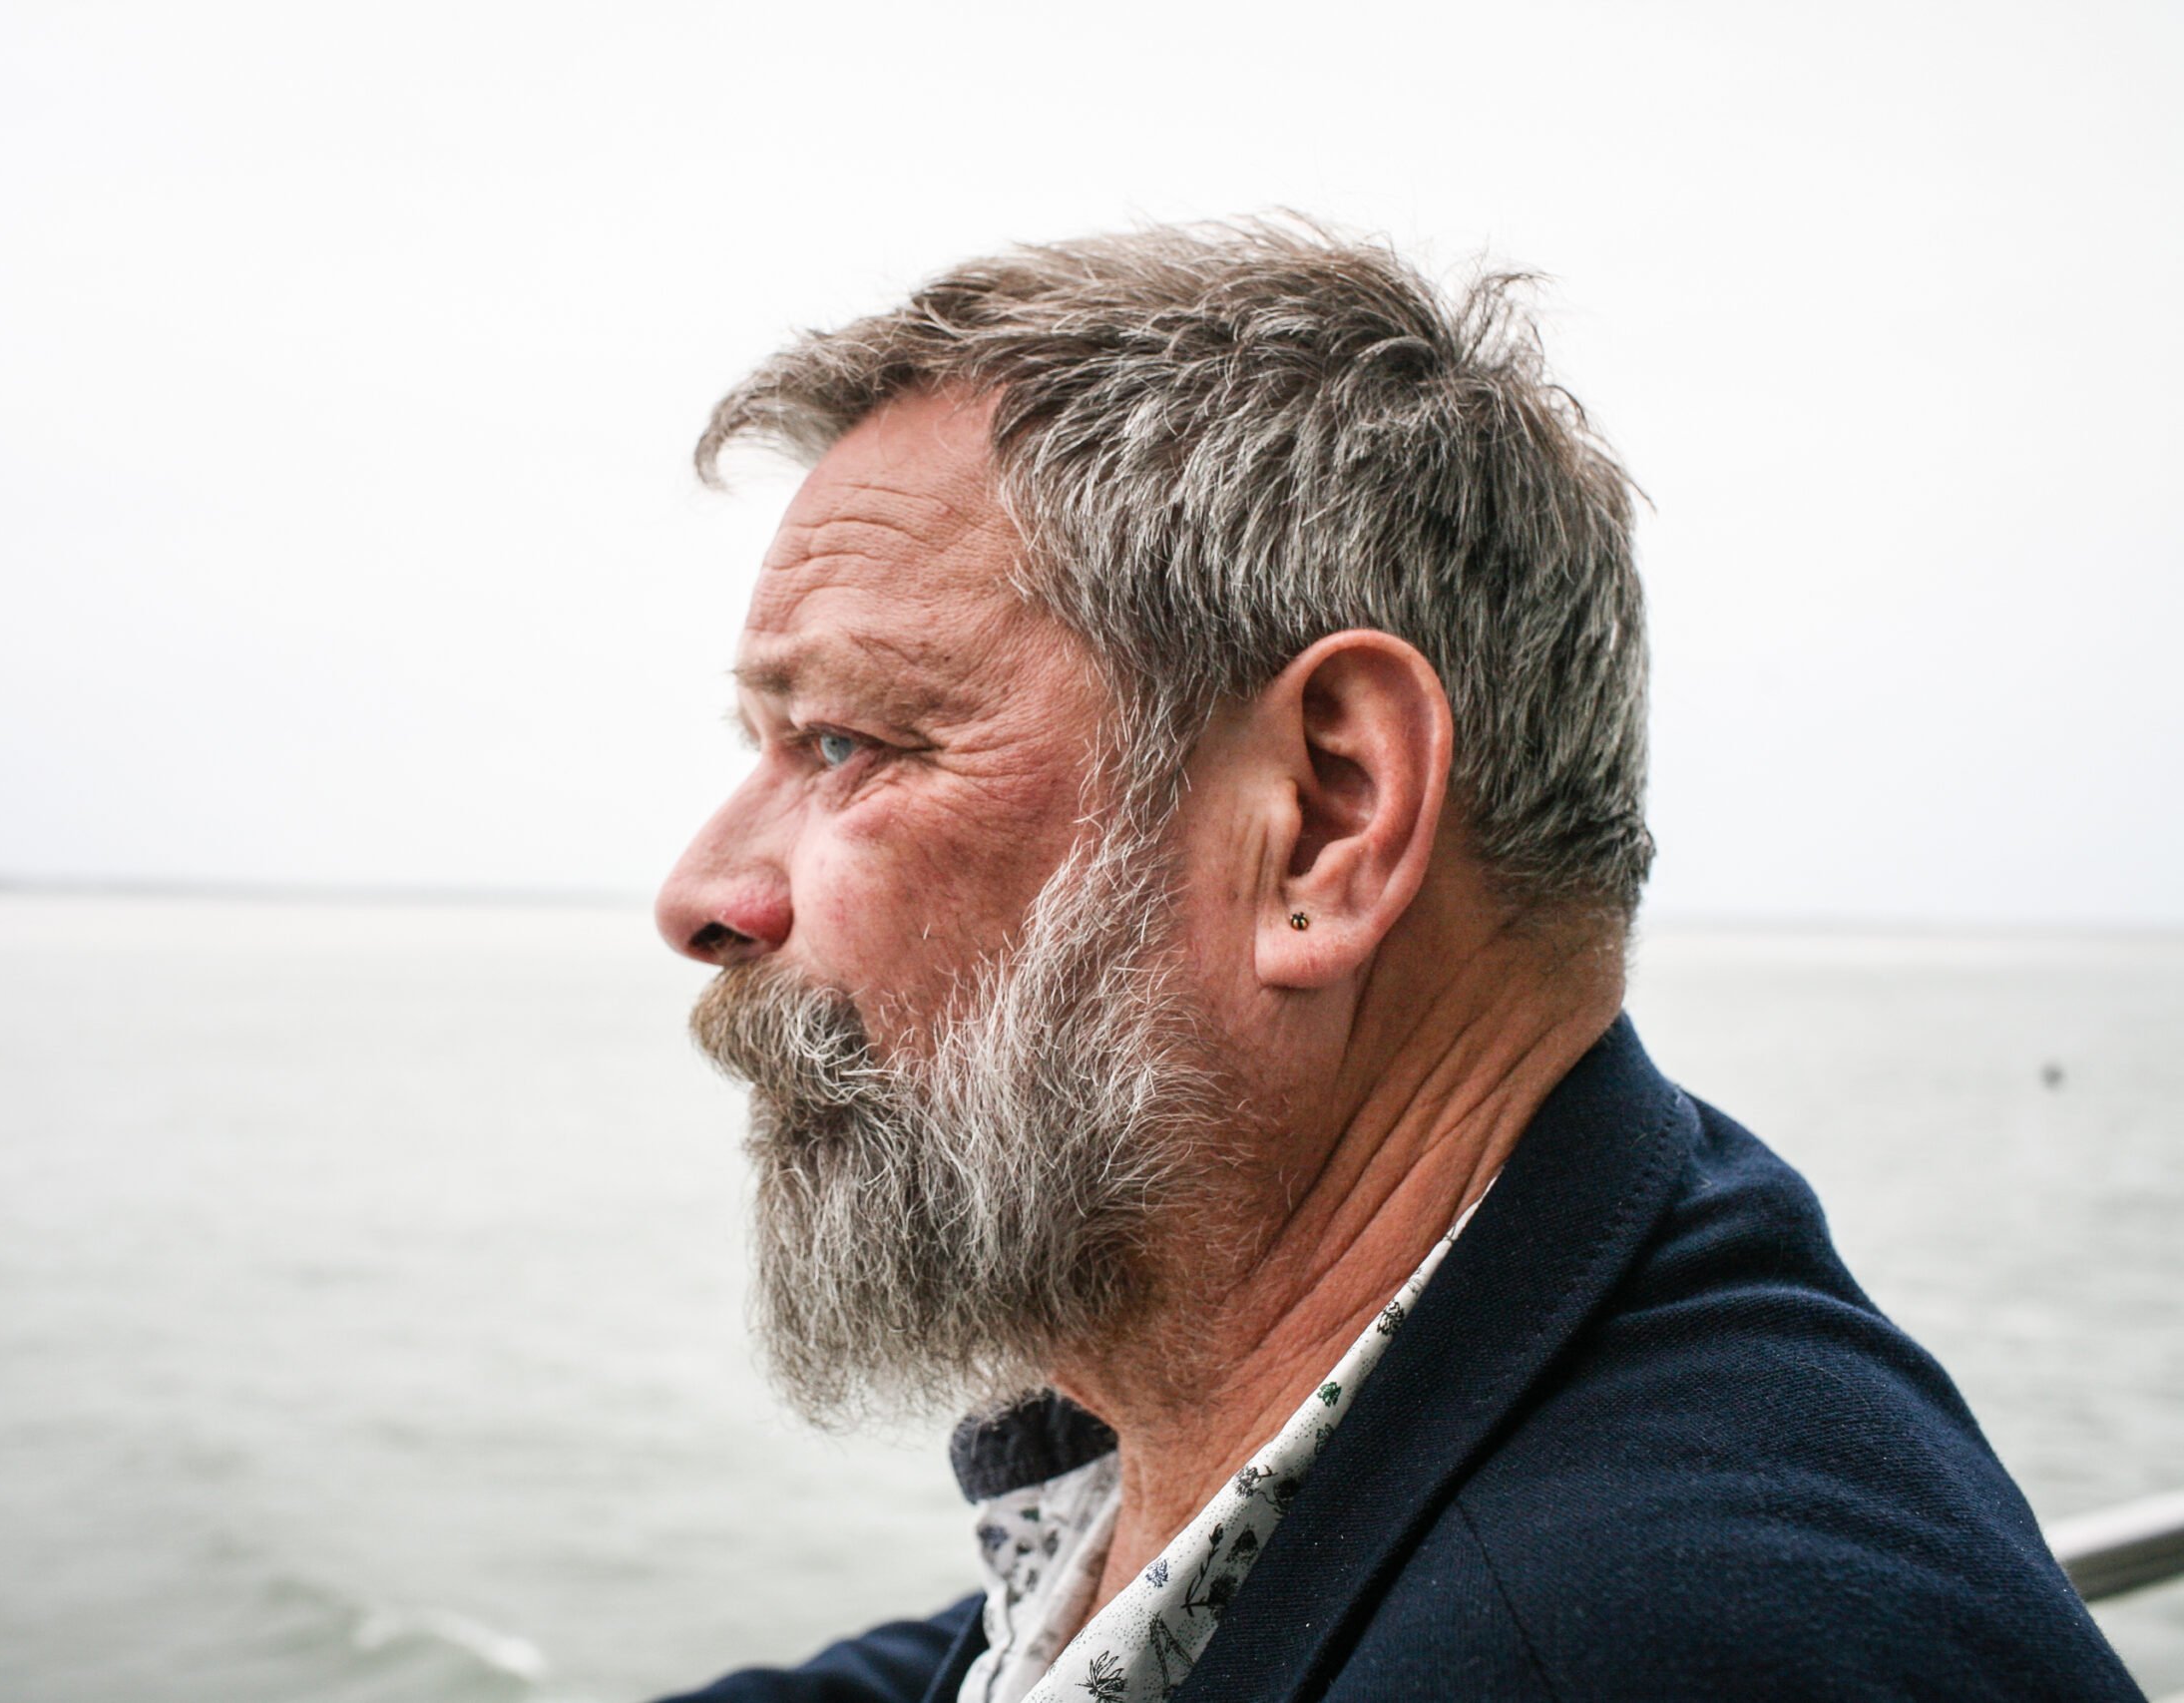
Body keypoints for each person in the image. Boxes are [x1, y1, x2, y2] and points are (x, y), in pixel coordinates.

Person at [649, 219, 2140, 1702]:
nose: (702, 896)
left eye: (846, 742)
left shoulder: (1661, 1649)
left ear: (1325, 819)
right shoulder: (1426, 1366)